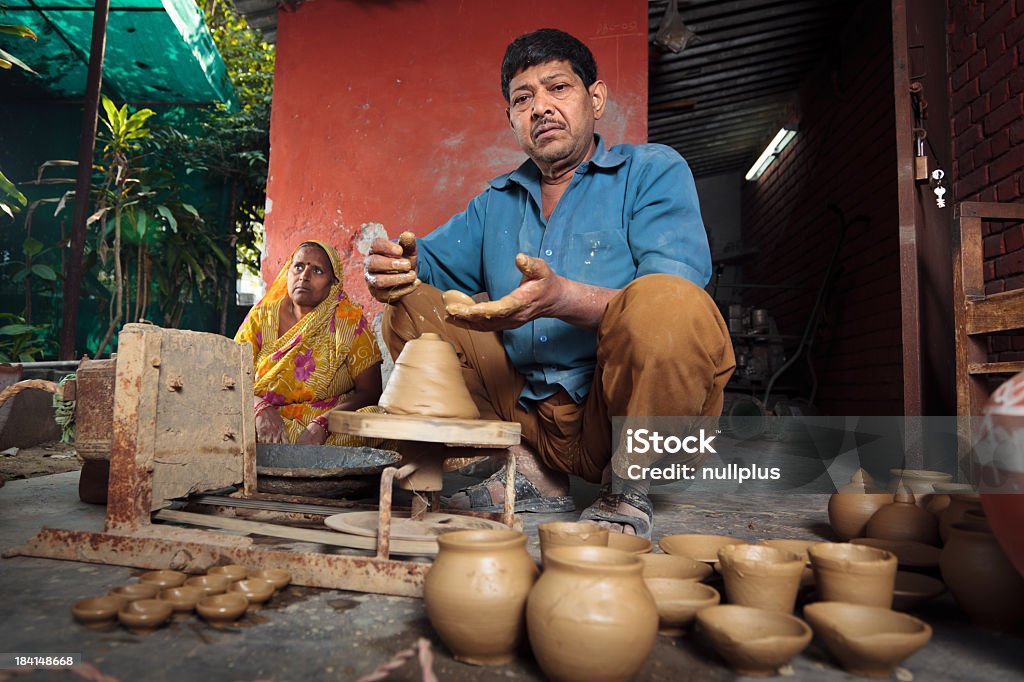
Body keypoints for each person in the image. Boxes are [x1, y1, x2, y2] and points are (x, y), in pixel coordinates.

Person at [364, 29, 735, 537]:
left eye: (557, 88)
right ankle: (529, 471)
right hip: (528, 417)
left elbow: (676, 295)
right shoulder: (497, 201)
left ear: (596, 98)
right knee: (410, 306)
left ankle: (629, 489)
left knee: (669, 303)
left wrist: (561, 298)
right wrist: (396, 265)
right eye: (523, 98)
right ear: (511, 118)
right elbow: (424, 262)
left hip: (620, 410)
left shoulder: (651, 172)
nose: (540, 107)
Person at [236, 240, 383, 446]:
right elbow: (231, 379)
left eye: (317, 270)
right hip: (265, 421)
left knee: (374, 420)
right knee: (226, 420)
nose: (304, 276)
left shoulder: (348, 322)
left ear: (333, 284)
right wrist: (259, 408)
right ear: (288, 273)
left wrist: (323, 424)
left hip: (326, 428)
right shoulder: (260, 318)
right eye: (298, 267)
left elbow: (370, 392)